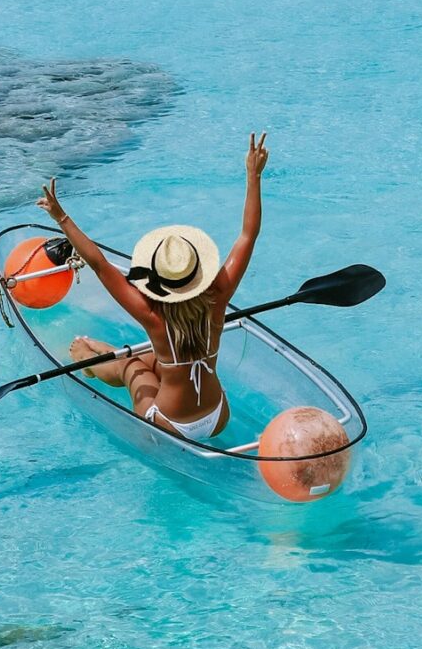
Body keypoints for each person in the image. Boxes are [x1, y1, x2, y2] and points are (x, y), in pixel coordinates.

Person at [39, 133, 268, 441]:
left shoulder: (153, 317)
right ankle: (105, 351)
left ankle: (87, 361)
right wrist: (253, 176)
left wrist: (62, 217)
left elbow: (100, 264)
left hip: (168, 424)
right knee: (155, 361)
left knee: (131, 367)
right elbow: (247, 236)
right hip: (218, 415)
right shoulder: (218, 298)